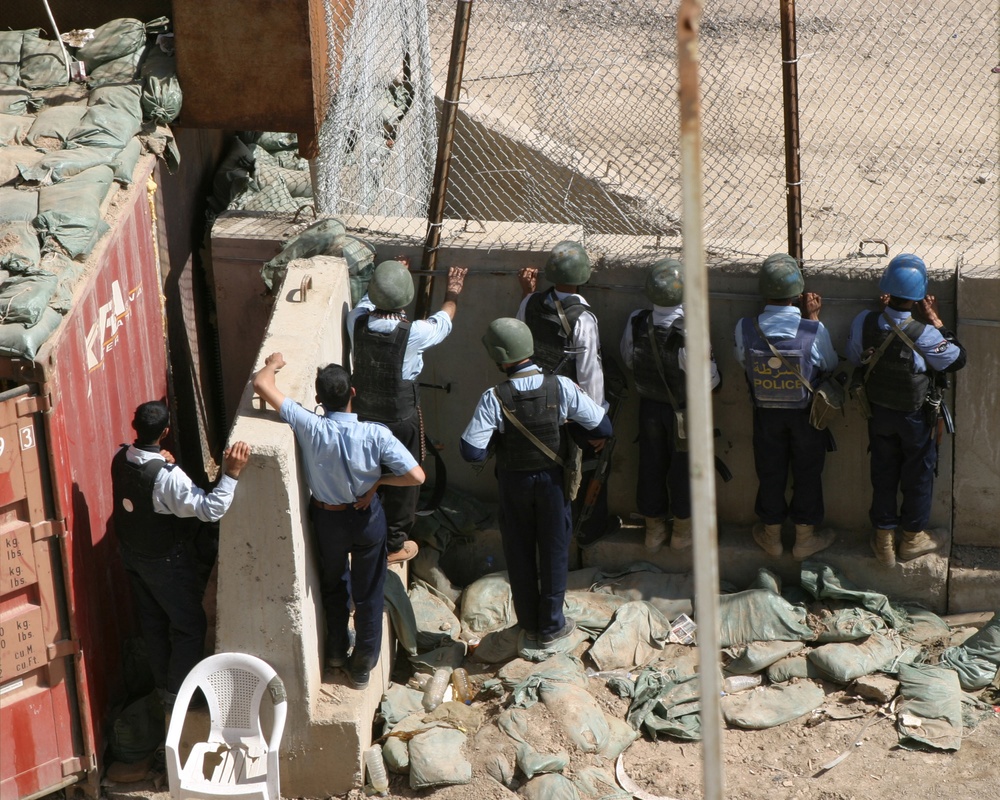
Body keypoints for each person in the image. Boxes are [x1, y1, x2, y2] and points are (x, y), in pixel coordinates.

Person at [253, 354, 424, 689]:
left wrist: (273, 364)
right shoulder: (376, 435)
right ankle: (362, 666)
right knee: (369, 592)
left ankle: (334, 652)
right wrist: (378, 483)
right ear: (353, 393)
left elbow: (262, 384)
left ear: (319, 399)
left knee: (334, 585)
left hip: (327, 519)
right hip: (366, 516)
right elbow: (416, 476)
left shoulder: (308, 423)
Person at [460, 318, 611, 647]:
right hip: (554, 483)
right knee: (555, 552)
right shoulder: (562, 387)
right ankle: (552, 626)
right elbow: (603, 428)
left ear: (501, 357)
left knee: (519, 551)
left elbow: (471, 451)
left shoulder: (493, 397)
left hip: (514, 484)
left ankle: (528, 621)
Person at [111, 401, 251, 708]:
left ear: (136, 427)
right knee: (190, 626)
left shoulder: (120, 457)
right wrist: (232, 473)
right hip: (164, 563)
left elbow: (142, 477)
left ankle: (164, 687)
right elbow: (209, 510)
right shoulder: (166, 477)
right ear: (165, 432)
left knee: (153, 620)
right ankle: (179, 695)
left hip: (133, 556)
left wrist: (160, 460)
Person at [845, 253, 966, 568]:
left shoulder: (864, 320)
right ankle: (912, 539)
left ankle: (883, 539)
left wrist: (881, 312)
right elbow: (956, 360)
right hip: (914, 416)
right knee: (918, 472)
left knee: (883, 470)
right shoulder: (925, 333)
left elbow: (855, 356)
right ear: (918, 298)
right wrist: (938, 323)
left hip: (878, 411)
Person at [347, 259, 467, 564]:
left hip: (362, 417)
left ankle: (360, 532)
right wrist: (453, 291)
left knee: (365, 474)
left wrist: (388, 274)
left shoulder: (355, 321)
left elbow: (365, 301)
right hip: (400, 420)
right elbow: (445, 318)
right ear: (407, 299)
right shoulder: (415, 333)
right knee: (404, 481)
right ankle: (394, 545)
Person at [516, 240, 620, 547]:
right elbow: (590, 371)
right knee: (592, 465)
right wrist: (596, 420)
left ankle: (542, 528)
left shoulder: (531, 303)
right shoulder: (583, 318)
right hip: (570, 406)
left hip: (533, 399)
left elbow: (521, 340)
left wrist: (527, 292)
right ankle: (588, 529)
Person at [734, 254, 838, 560]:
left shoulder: (745, 327)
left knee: (770, 471)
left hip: (765, 413)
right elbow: (830, 363)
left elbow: (743, 362)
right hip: (806, 415)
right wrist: (815, 319)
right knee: (808, 471)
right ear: (799, 292)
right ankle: (805, 537)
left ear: (763, 291)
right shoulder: (811, 329)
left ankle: (772, 536)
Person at [620, 259, 721, 552]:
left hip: (649, 407)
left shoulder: (637, 320)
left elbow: (630, 359)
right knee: (684, 470)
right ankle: (681, 533)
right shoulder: (690, 329)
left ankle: (653, 532)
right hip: (683, 412)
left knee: (650, 465)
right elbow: (707, 381)